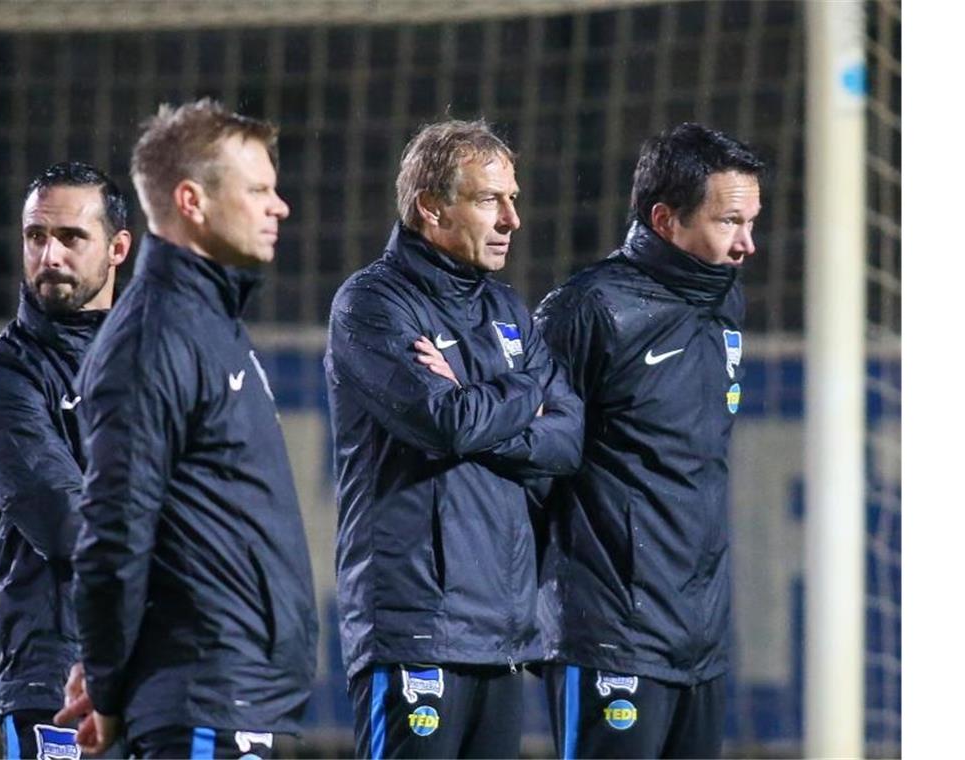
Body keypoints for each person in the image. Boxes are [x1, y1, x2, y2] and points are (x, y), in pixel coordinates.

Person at [52, 98, 318, 759]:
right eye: (258, 189)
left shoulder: (212, 327)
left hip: (236, 697)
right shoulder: (155, 337)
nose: (278, 205)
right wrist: (109, 688)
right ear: (192, 202)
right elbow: (113, 535)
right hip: (201, 697)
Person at [325, 119, 584, 759]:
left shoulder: (510, 312)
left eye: (513, 198)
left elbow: (566, 441)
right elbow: (444, 422)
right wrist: (527, 388)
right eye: (490, 199)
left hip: (502, 630)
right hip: (415, 627)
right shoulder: (372, 304)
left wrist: (477, 403)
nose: (511, 220)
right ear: (432, 207)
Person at [532, 122, 764, 759]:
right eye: (729, 222)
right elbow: (530, 465)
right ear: (665, 219)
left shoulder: (725, 305)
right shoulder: (589, 311)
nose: (747, 244)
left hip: (702, 644)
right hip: (611, 634)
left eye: (752, 222)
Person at [0, 161, 132, 759]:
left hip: (163, 674)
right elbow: (67, 524)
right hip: (55, 678)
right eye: (36, 236)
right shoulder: (3, 378)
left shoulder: (157, 363)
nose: (50, 254)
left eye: (71, 237)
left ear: (118, 249)